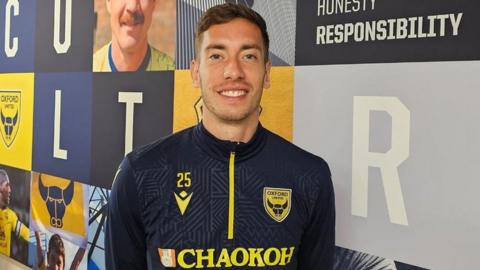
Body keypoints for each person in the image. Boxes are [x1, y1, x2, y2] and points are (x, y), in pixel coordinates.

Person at [106, 3, 335, 269]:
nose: (233, 71)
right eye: (217, 56)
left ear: (267, 72)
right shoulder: (141, 173)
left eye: (248, 56)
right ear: (195, 72)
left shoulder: (309, 176)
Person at [93, 0, 174, 72]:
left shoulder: (177, 80)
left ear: (154, 3)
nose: (132, 6)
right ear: (108, 2)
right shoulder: (84, 78)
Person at [0, 169, 29, 257]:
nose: (10, 190)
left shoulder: (10, 216)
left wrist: (44, 240)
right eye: (7, 185)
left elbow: (25, 233)